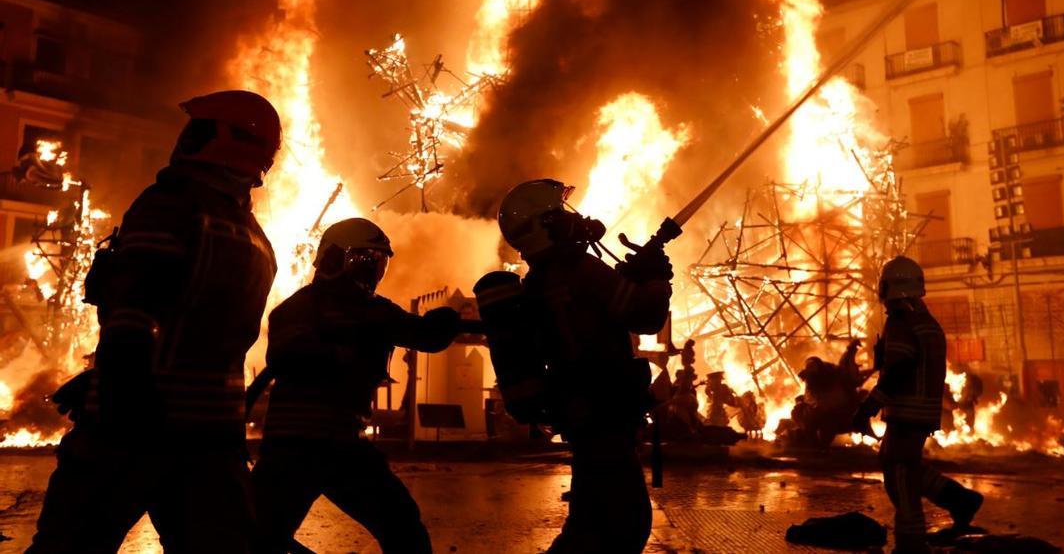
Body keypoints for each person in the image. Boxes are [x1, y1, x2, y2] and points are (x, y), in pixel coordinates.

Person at [29, 90, 281, 553]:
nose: (185, 138)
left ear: (219, 138)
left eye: (197, 128)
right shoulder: (255, 236)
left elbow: (135, 308)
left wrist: (115, 387)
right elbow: (202, 328)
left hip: (132, 430)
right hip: (212, 436)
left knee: (69, 547)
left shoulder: (171, 204)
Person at [481, 179, 672, 553]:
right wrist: (657, 280)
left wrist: (631, 278)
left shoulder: (542, 279)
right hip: (603, 411)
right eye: (561, 213)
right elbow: (645, 316)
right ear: (547, 225)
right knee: (624, 524)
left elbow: (596, 313)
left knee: (591, 523)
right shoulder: (581, 270)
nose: (575, 219)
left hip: (582, 411)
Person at [251, 217, 463, 553]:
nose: (373, 272)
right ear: (336, 259)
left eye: (378, 263)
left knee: (402, 526)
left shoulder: (363, 311)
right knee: (258, 538)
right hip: (304, 447)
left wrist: (447, 320)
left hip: (329, 445)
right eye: (365, 261)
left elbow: (426, 336)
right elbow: (288, 357)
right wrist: (347, 350)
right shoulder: (308, 310)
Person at [851, 256, 984, 554]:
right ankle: (958, 499)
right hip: (922, 410)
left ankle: (911, 545)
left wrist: (869, 406)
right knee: (901, 465)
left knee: (900, 475)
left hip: (908, 410)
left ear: (889, 287)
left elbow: (900, 370)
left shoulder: (901, 320)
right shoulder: (925, 321)